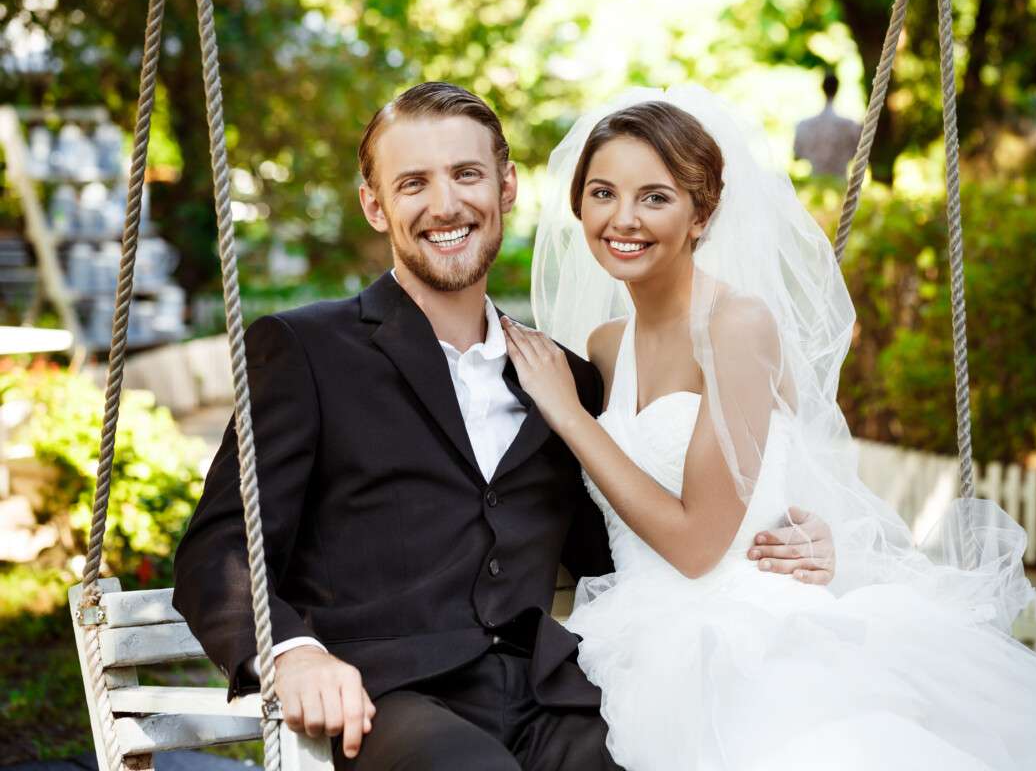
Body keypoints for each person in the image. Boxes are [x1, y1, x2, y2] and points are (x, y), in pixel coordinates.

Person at [172, 81, 835, 771]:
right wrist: (295, 653)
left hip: (549, 698)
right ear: (375, 205)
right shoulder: (307, 350)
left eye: (466, 175)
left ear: (507, 187)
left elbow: (621, 535)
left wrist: (781, 539)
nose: (446, 204)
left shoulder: (567, 382)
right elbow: (218, 547)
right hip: (392, 700)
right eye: (413, 184)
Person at [506, 86, 1036, 770]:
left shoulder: (736, 327)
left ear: (701, 213)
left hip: (738, 635)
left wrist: (569, 414)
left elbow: (697, 546)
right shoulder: (603, 346)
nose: (623, 218)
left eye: (654, 197)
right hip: (629, 627)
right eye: (603, 193)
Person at [793, 70, 862, 179]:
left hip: (815, 181)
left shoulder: (805, 125)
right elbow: (858, 154)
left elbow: (797, 154)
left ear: (822, 88)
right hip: (841, 183)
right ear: (837, 89)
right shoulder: (850, 126)